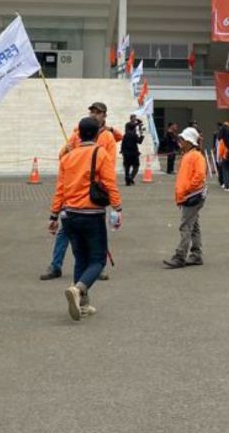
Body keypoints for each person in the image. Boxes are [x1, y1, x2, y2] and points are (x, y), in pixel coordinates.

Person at [49, 116, 123, 320]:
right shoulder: (100, 153)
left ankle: (83, 304)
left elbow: (60, 189)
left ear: (79, 134)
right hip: (92, 214)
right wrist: (117, 207)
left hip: (69, 214)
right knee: (98, 259)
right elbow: (110, 183)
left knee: (80, 258)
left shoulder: (67, 157)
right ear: (98, 134)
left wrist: (53, 215)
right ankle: (78, 290)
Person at [42, 101, 119, 281]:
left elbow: (109, 167)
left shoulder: (107, 137)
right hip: (74, 190)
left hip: (94, 193)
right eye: (92, 111)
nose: (94, 114)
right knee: (65, 232)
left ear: (104, 116)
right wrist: (67, 151)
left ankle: (95, 269)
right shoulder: (78, 134)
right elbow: (63, 156)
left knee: (93, 235)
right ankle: (56, 265)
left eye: (98, 112)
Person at [164, 127, 206, 268]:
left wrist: (186, 189)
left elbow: (199, 176)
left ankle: (180, 256)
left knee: (186, 226)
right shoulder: (192, 155)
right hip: (191, 195)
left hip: (191, 195)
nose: (180, 141)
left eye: (183, 139)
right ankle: (196, 254)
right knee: (193, 226)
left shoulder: (194, 156)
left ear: (189, 141)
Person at [121, 114, 144, 186]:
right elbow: (139, 141)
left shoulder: (125, 135)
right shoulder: (134, 135)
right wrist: (142, 134)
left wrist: (122, 150)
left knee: (127, 167)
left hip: (126, 153)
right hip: (134, 153)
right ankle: (130, 177)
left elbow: (123, 143)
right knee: (136, 166)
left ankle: (127, 179)